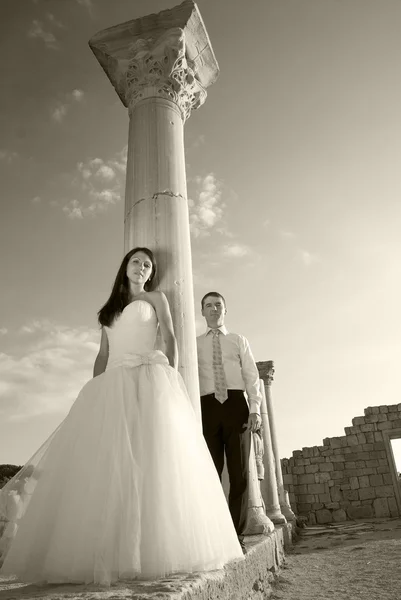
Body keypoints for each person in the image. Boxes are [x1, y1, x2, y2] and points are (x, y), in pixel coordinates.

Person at [0, 249, 243, 586]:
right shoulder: (109, 310)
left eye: (147, 264)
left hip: (147, 377)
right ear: (125, 267)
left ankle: (153, 550)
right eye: (136, 262)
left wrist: (169, 375)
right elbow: (103, 355)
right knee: (109, 464)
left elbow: (170, 337)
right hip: (112, 383)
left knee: (150, 458)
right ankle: (105, 551)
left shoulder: (156, 298)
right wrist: (96, 388)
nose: (141, 267)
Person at [196, 292, 262, 537]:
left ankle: (235, 534)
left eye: (218, 305)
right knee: (210, 473)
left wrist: (255, 409)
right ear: (202, 311)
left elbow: (252, 376)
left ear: (225, 310)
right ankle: (213, 534)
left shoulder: (238, 340)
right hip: (206, 407)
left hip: (236, 406)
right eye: (208, 306)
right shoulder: (194, 344)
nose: (214, 309)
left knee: (240, 475)